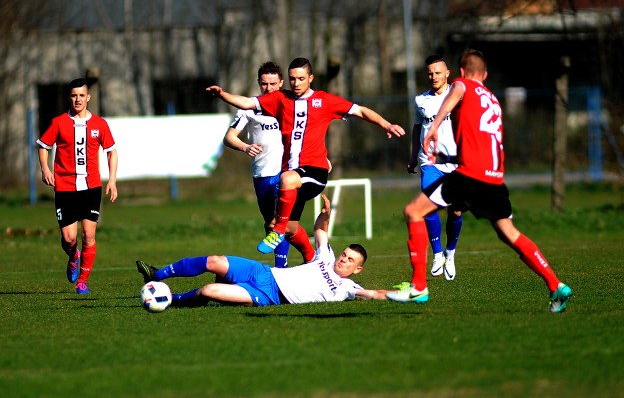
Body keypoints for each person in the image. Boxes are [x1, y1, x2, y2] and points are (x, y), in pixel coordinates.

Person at [387, 49, 573, 313]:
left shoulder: (462, 85)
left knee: (413, 211)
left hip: (469, 175)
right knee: (509, 233)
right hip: (494, 179)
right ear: (485, 75)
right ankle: (556, 285)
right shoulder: (494, 101)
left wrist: (437, 125)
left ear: (460, 73)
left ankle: (419, 286)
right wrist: (445, 154)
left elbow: (455, 93)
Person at [206, 57, 405, 255]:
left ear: (311, 78)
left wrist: (386, 124)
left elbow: (359, 111)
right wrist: (223, 94)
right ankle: (311, 259)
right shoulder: (280, 99)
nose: (296, 83)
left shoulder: (325, 100)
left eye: (301, 78)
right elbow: (247, 102)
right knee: (292, 229)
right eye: (293, 78)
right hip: (289, 175)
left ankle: (277, 233)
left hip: (314, 171)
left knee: (286, 185)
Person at [135, 194, 394, 307]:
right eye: (344, 255)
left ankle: (171, 301)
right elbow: (320, 231)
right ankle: (158, 275)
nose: (343, 260)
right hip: (264, 273)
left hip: (268, 294)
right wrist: (326, 214)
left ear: (357, 269)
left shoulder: (348, 289)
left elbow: (375, 294)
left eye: (350, 261)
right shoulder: (325, 258)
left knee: (208, 291)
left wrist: (407, 295)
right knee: (214, 260)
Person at [223, 61, 311, 267]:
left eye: (273, 84)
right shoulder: (249, 108)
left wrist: (320, 158)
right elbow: (229, 137)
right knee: (270, 224)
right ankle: (309, 257)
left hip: (287, 172)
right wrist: (245, 147)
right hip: (262, 174)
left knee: (280, 223)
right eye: (264, 84)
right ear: (259, 83)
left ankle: (284, 265)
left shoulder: (292, 104)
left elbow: (309, 133)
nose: (268, 88)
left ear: (281, 83)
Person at [37, 78, 118, 295]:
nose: (78, 99)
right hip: (64, 187)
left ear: (88, 97)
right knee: (69, 238)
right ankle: (73, 256)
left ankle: (83, 281)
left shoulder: (100, 124)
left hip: (91, 187)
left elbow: (111, 151)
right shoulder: (59, 122)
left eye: (82, 95)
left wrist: (112, 179)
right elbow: (43, 146)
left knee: (88, 235)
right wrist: (45, 168)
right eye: (74, 95)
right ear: (69, 98)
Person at [408, 55, 463, 280]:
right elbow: (416, 128)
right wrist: (412, 156)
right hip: (430, 162)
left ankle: (450, 253)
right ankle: (437, 253)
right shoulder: (421, 100)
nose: (433, 77)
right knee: (428, 206)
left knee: (456, 211)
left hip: (457, 163)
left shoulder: (459, 96)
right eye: (430, 73)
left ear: (447, 73)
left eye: (438, 72)